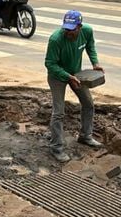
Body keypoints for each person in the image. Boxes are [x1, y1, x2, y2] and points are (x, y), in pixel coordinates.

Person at [44, 10, 104, 163]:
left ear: (80, 26)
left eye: (72, 29)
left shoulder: (87, 31)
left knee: (88, 104)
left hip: (76, 74)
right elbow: (50, 64)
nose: (68, 32)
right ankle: (56, 148)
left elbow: (90, 46)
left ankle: (85, 136)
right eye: (66, 29)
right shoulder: (56, 39)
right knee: (58, 112)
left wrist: (95, 63)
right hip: (58, 76)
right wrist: (67, 77)